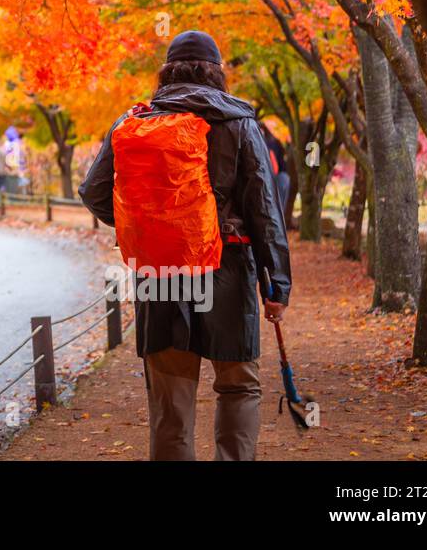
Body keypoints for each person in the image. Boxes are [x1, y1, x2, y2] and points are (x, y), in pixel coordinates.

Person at [79, 30, 291, 462]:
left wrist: (148, 227)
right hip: (226, 269)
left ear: (167, 71)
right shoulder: (238, 123)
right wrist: (277, 285)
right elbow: (264, 209)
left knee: (171, 399)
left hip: (160, 273)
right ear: (217, 71)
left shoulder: (134, 122)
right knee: (238, 385)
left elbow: (93, 192)